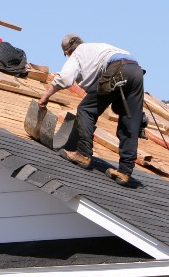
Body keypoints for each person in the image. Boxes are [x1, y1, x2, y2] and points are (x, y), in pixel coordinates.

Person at [38, 34, 145, 187]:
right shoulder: (96, 49)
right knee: (130, 121)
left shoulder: (78, 54)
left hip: (118, 69)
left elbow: (66, 78)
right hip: (136, 71)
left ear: (68, 52)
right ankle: (125, 172)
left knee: (86, 109)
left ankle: (83, 154)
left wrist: (45, 96)